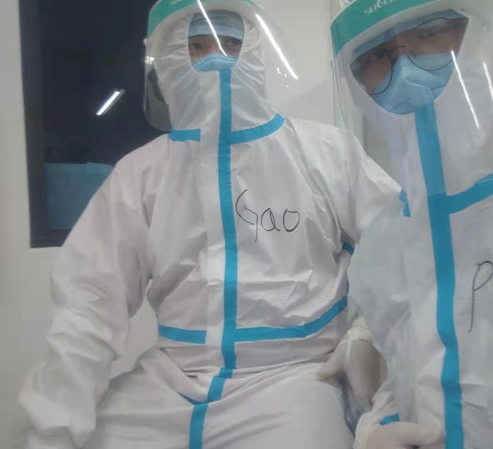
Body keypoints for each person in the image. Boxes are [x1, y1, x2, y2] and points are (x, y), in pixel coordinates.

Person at [19, 2, 400, 449]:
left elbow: (402, 246)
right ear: (166, 61)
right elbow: (89, 306)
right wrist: (56, 425)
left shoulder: (326, 152)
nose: (216, 59)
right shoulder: (140, 175)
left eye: (229, 43)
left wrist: (363, 333)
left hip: (293, 376)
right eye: (196, 46)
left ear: (253, 50)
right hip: (170, 381)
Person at [331, 0, 493, 448]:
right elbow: (415, 374)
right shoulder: (384, 245)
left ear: (483, 30)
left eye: (430, 31)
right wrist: (375, 423)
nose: (407, 70)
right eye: (377, 56)